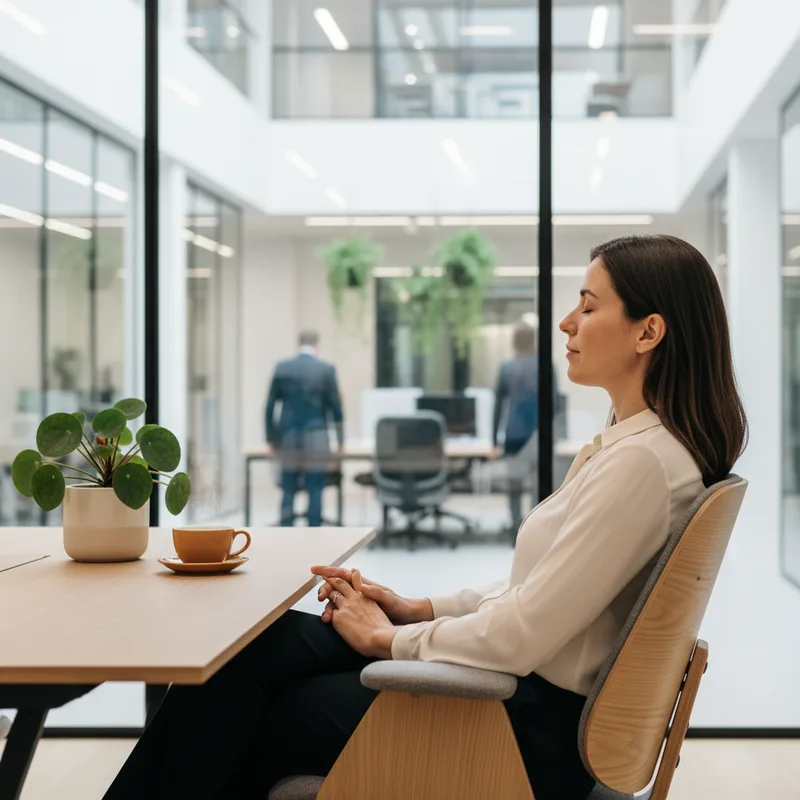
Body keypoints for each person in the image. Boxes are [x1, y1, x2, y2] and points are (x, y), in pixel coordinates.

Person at [104, 235, 747, 800]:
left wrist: (386, 640)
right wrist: (417, 608)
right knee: (256, 647)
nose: (565, 323)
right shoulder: (638, 448)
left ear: (647, 332)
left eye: (587, 304)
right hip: (517, 694)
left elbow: (522, 633)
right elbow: (538, 592)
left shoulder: (641, 464)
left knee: (245, 710)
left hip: (517, 729)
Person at [264, 330, 343, 527]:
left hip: (288, 437)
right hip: (317, 436)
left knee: (288, 488)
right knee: (315, 488)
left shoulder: (283, 368)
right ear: (316, 345)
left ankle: (285, 532)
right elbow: (336, 408)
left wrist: (271, 438)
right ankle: (314, 535)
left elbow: (270, 406)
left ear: (298, 343)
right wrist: (341, 441)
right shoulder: (326, 369)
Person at [491, 322, 558, 535]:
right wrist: (554, 437)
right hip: (540, 435)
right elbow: (554, 404)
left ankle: (514, 531)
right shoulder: (546, 366)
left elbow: (498, 407)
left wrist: (494, 441)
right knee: (539, 486)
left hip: (513, 435)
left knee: (514, 486)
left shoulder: (506, 368)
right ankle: (535, 531)